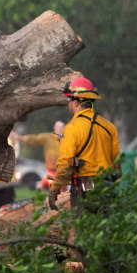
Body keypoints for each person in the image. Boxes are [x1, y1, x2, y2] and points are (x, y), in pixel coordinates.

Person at [47, 76, 119, 212]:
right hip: (108, 185)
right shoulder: (109, 127)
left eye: (69, 100)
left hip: (85, 187)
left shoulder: (71, 128)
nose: (68, 104)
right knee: (106, 228)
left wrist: (54, 190)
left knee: (86, 228)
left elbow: (65, 163)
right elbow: (117, 164)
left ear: (76, 103)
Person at [11, 121, 65, 189]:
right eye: (58, 127)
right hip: (52, 171)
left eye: (61, 127)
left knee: (64, 190)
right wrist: (19, 137)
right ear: (54, 127)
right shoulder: (47, 138)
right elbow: (34, 139)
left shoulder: (67, 139)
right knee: (52, 189)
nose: (59, 129)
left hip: (64, 171)